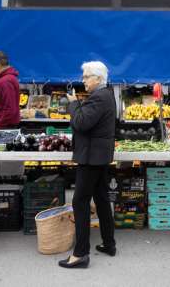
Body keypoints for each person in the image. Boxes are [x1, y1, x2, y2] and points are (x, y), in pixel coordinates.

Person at [59, 61, 117, 269]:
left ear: (98, 79)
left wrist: (73, 104)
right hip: (98, 156)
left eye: (86, 77)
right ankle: (109, 243)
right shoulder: (106, 95)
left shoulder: (99, 98)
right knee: (101, 198)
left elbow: (81, 123)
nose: (83, 80)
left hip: (91, 157)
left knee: (80, 202)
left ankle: (80, 253)